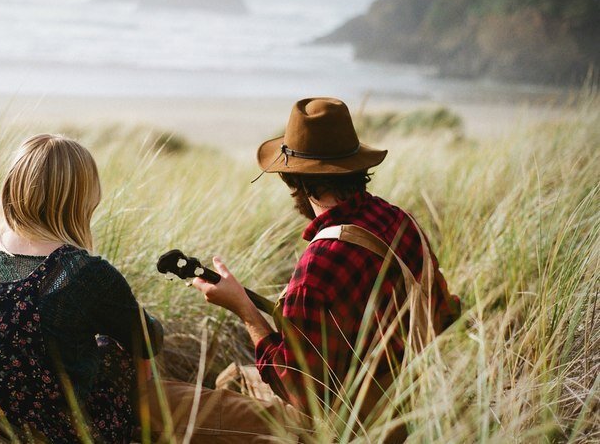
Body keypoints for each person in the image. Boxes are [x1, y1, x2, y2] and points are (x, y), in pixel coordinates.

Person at [0, 133, 302, 443]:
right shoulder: (79, 271)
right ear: (81, 199)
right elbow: (148, 339)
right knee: (121, 361)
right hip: (52, 434)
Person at [194, 98, 461, 440]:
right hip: (417, 406)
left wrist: (245, 310)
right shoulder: (401, 220)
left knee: (216, 393)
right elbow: (445, 310)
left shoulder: (319, 266)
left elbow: (301, 394)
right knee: (234, 377)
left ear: (296, 181)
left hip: (353, 430)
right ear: (355, 166)